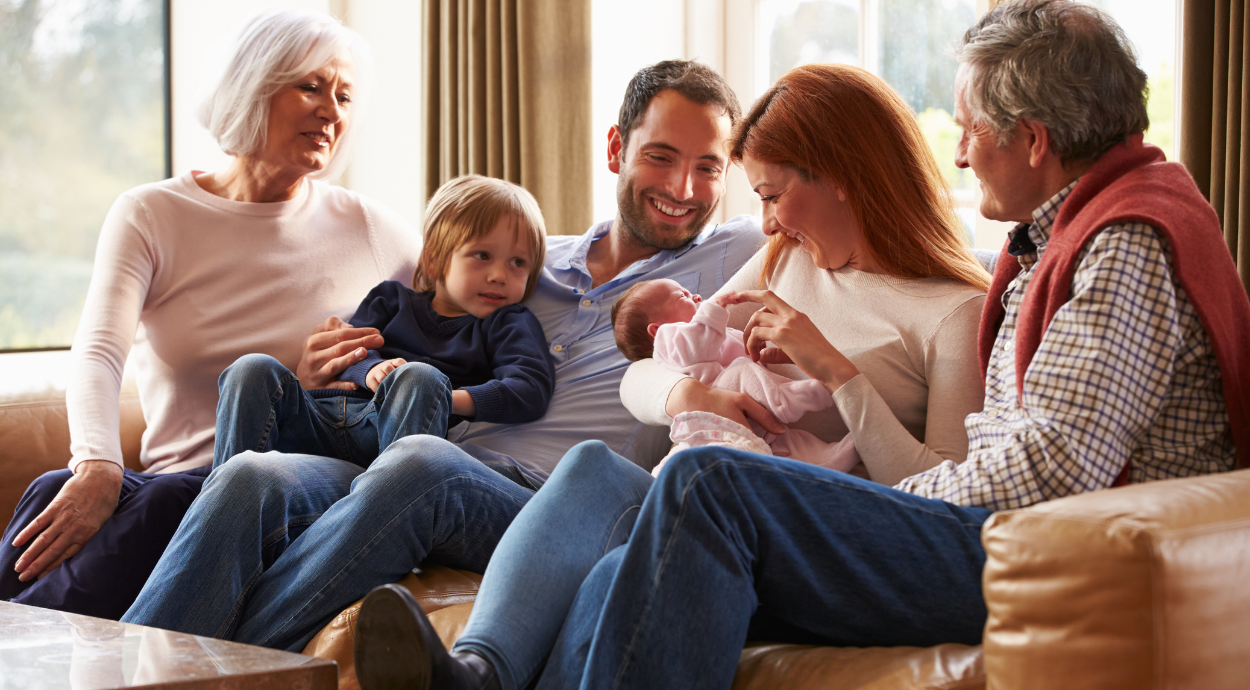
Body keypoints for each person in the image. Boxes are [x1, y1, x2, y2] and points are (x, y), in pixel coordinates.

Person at [354, 2, 1250, 689]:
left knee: (706, 485)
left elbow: (1048, 474)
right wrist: (684, 398)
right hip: (983, 522)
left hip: (1025, 544)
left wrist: (867, 473)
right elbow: (668, 360)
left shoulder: (1123, 245)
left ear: (1034, 137)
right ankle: (481, 672)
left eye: (973, 129)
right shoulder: (1053, 240)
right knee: (635, 506)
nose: (965, 154)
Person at [352, 61, 996, 690]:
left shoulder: (954, 313)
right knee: (591, 470)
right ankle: (477, 671)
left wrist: (838, 373)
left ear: (844, 178)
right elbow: (650, 368)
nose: (767, 222)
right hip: (717, 489)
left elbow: (939, 499)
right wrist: (691, 392)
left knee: (613, 566)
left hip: (802, 524)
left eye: (772, 196)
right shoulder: (789, 261)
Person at [121, 60, 766, 654]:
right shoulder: (525, 258)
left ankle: (221, 667)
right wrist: (327, 363)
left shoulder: (729, 260)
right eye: (661, 156)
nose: (684, 187)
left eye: (709, 167)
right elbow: (412, 297)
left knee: (422, 463)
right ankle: (120, 669)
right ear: (615, 148)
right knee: (250, 477)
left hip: (545, 501)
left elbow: (838, 179)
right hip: (412, 455)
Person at [0, 9, 419, 620]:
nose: (333, 111)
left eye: (345, 95)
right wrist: (97, 464)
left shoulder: (374, 230)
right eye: (311, 87)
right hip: (169, 483)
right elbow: (98, 350)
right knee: (52, 492)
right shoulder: (151, 214)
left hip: (273, 492)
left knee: (167, 501)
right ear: (252, 86)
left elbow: (464, 310)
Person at [212, 175, 554, 471]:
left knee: (418, 377)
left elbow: (530, 389)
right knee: (250, 369)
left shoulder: (508, 323)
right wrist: (370, 371)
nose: (499, 275)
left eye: (518, 263)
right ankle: (222, 495)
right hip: (321, 420)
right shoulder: (391, 299)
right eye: (482, 256)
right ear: (434, 260)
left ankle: (386, 506)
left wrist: (444, 398)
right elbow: (347, 353)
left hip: (390, 435)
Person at [611, 278, 856, 474]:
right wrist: (714, 306)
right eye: (682, 296)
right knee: (740, 370)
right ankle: (792, 398)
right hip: (718, 408)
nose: (696, 296)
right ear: (656, 330)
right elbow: (700, 343)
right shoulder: (670, 342)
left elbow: (736, 347)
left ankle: (846, 452)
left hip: (755, 422)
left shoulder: (716, 328)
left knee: (797, 447)